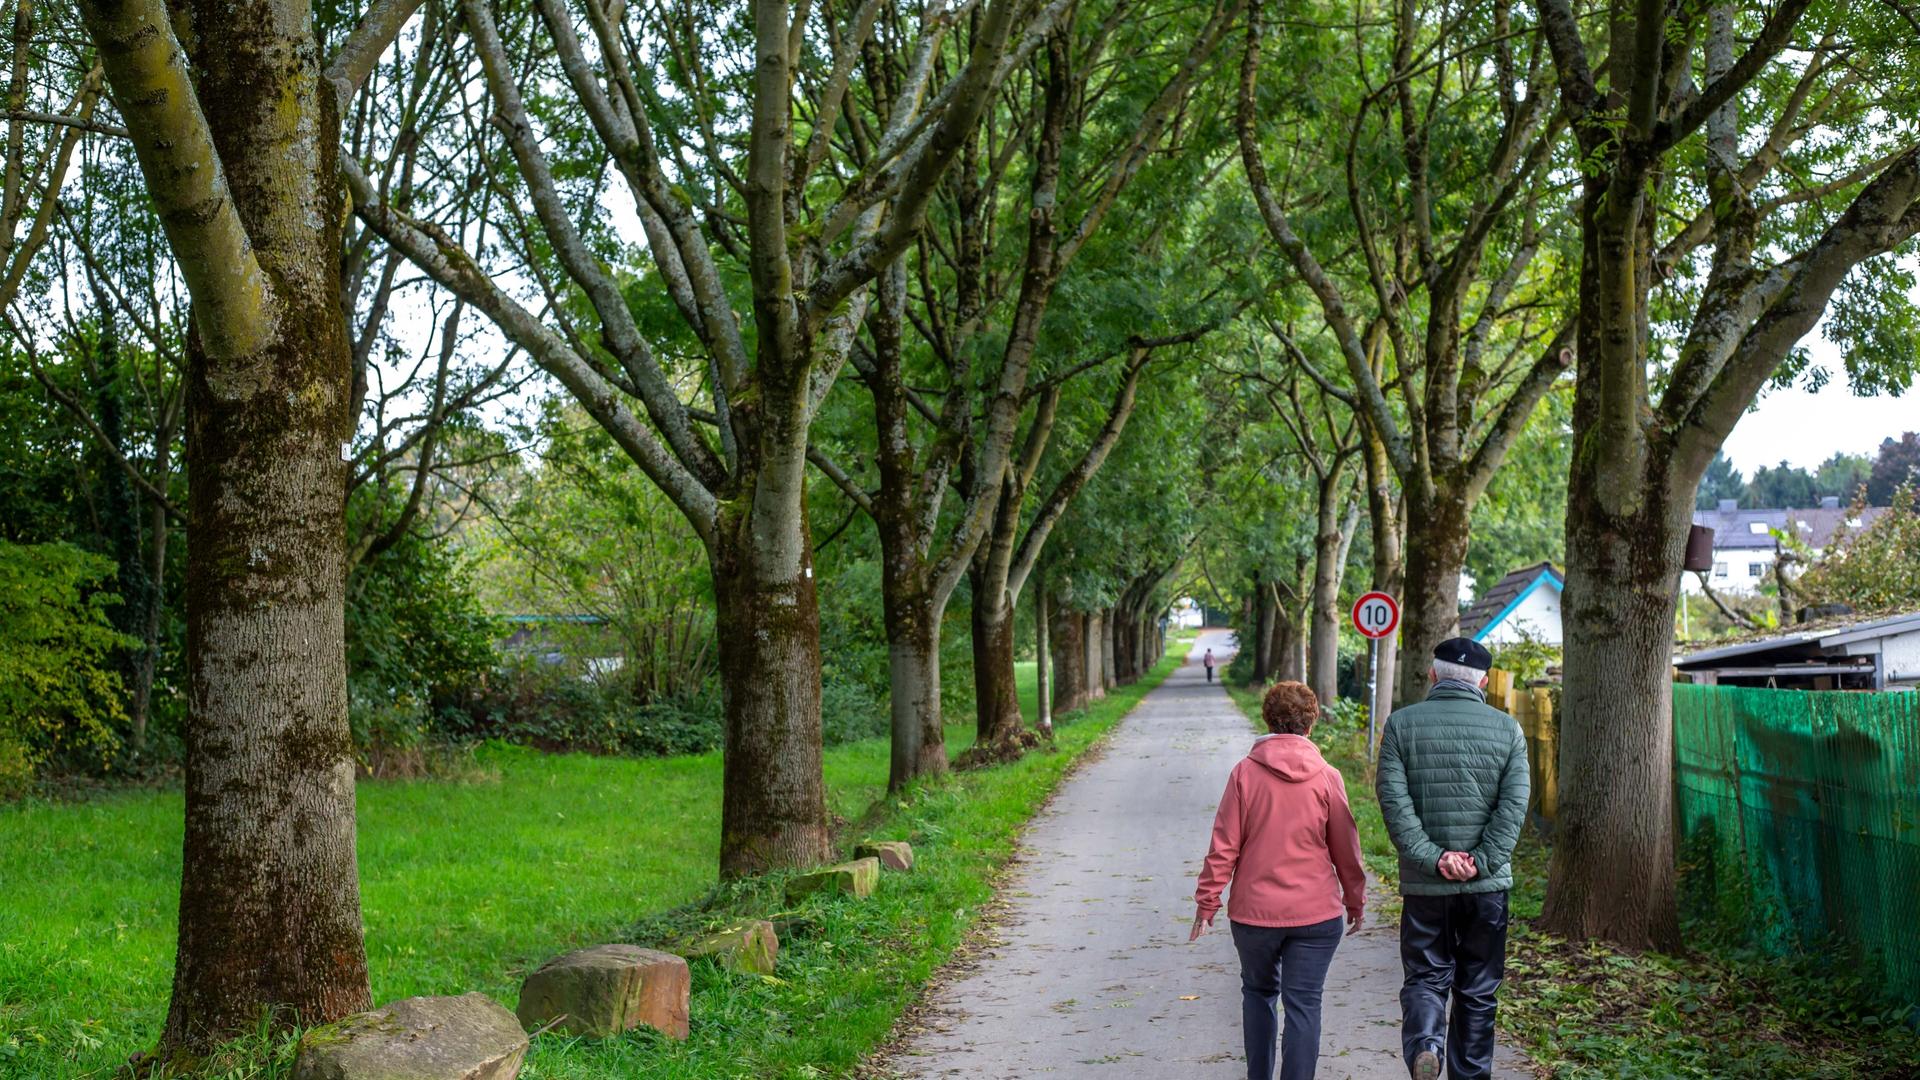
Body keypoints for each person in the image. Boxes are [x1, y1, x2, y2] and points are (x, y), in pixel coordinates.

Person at [1192, 681, 1367, 1080]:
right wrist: (1355, 901)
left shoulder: (1245, 774)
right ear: (1312, 722)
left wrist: (1207, 902)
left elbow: (1224, 846)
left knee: (1258, 993)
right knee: (1304, 1003)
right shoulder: (1327, 778)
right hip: (1316, 915)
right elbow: (1347, 850)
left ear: (1267, 719)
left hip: (1254, 916)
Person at [1375, 638, 1530, 1080]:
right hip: (1487, 888)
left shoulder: (1401, 726)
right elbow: (1513, 807)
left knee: (1425, 977)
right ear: (1484, 681)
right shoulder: (1509, 730)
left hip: (1427, 885)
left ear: (1432, 674)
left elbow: (1394, 803)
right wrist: (1480, 862)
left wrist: (1434, 859)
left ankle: (1426, 1044)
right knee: (1478, 990)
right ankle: (1471, 1073)